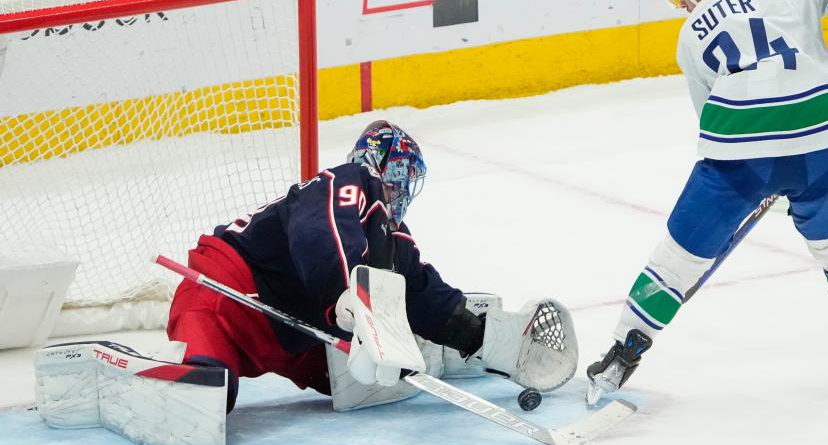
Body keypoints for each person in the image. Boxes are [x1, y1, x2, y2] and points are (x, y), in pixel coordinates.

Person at [587, 0, 828, 403]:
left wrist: (761, 169)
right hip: (824, 142)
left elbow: (709, 121)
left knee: (679, 257)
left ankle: (623, 353)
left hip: (740, 153)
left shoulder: (691, 34)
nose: (684, 6)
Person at [168, 120, 575, 413]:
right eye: (401, 174)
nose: (403, 188)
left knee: (359, 384)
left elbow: (421, 292)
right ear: (384, 165)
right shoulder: (346, 181)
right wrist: (343, 294)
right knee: (206, 398)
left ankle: (446, 352)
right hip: (225, 298)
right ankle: (132, 371)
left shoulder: (392, 237)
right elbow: (319, 233)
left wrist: (485, 339)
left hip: (288, 334)